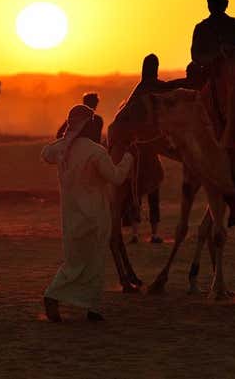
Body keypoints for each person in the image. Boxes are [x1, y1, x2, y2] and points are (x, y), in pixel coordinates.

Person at [41, 104, 134, 322]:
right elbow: (117, 177)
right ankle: (55, 295)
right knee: (93, 264)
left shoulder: (62, 149)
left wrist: (64, 140)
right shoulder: (96, 152)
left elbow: (45, 153)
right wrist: (129, 157)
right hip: (95, 216)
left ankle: (89, 307)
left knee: (74, 261)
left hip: (70, 216)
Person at [126, 54, 169, 244]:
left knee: (136, 192)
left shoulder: (139, 89)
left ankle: (136, 233)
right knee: (151, 193)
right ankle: (153, 233)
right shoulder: (153, 87)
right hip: (148, 147)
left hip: (138, 149)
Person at [190, 0, 235, 73]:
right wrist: (214, 59)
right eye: (212, 2)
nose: (215, 6)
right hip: (209, 74)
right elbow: (196, 56)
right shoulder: (201, 28)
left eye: (217, 3)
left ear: (226, 4)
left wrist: (231, 53)